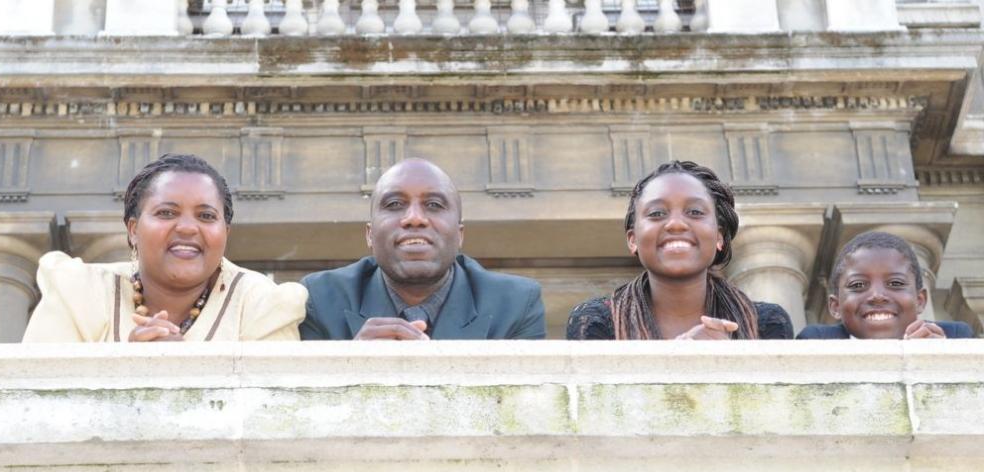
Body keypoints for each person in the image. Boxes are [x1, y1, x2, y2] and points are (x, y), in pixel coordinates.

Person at [23, 154, 306, 342]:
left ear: (225, 233)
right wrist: (124, 372)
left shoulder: (261, 303)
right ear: (133, 230)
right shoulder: (78, 292)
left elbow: (274, 416)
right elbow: (32, 404)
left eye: (206, 216)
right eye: (167, 213)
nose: (187, 227)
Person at [299, 158, 545, 340]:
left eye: (434, 205)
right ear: (370, 234)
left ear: (459, 235)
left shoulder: (516, 303)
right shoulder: (319, 299)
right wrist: (354, 366)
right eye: (394, 204)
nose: (414, 218)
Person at [566, 160, 792, 340]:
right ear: (633, 240)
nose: (676, 224)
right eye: (656, 214)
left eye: (694, 212)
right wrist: (680, 360)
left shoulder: (765, 322)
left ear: (719, 237)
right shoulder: (598, 321)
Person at [797, 231, 972, 339]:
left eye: (895, 283)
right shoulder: (818, 341)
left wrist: (941, 361)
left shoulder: (954, 337)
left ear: (920, 300)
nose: (877, 295)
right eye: (858, 285)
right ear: (835, 306)